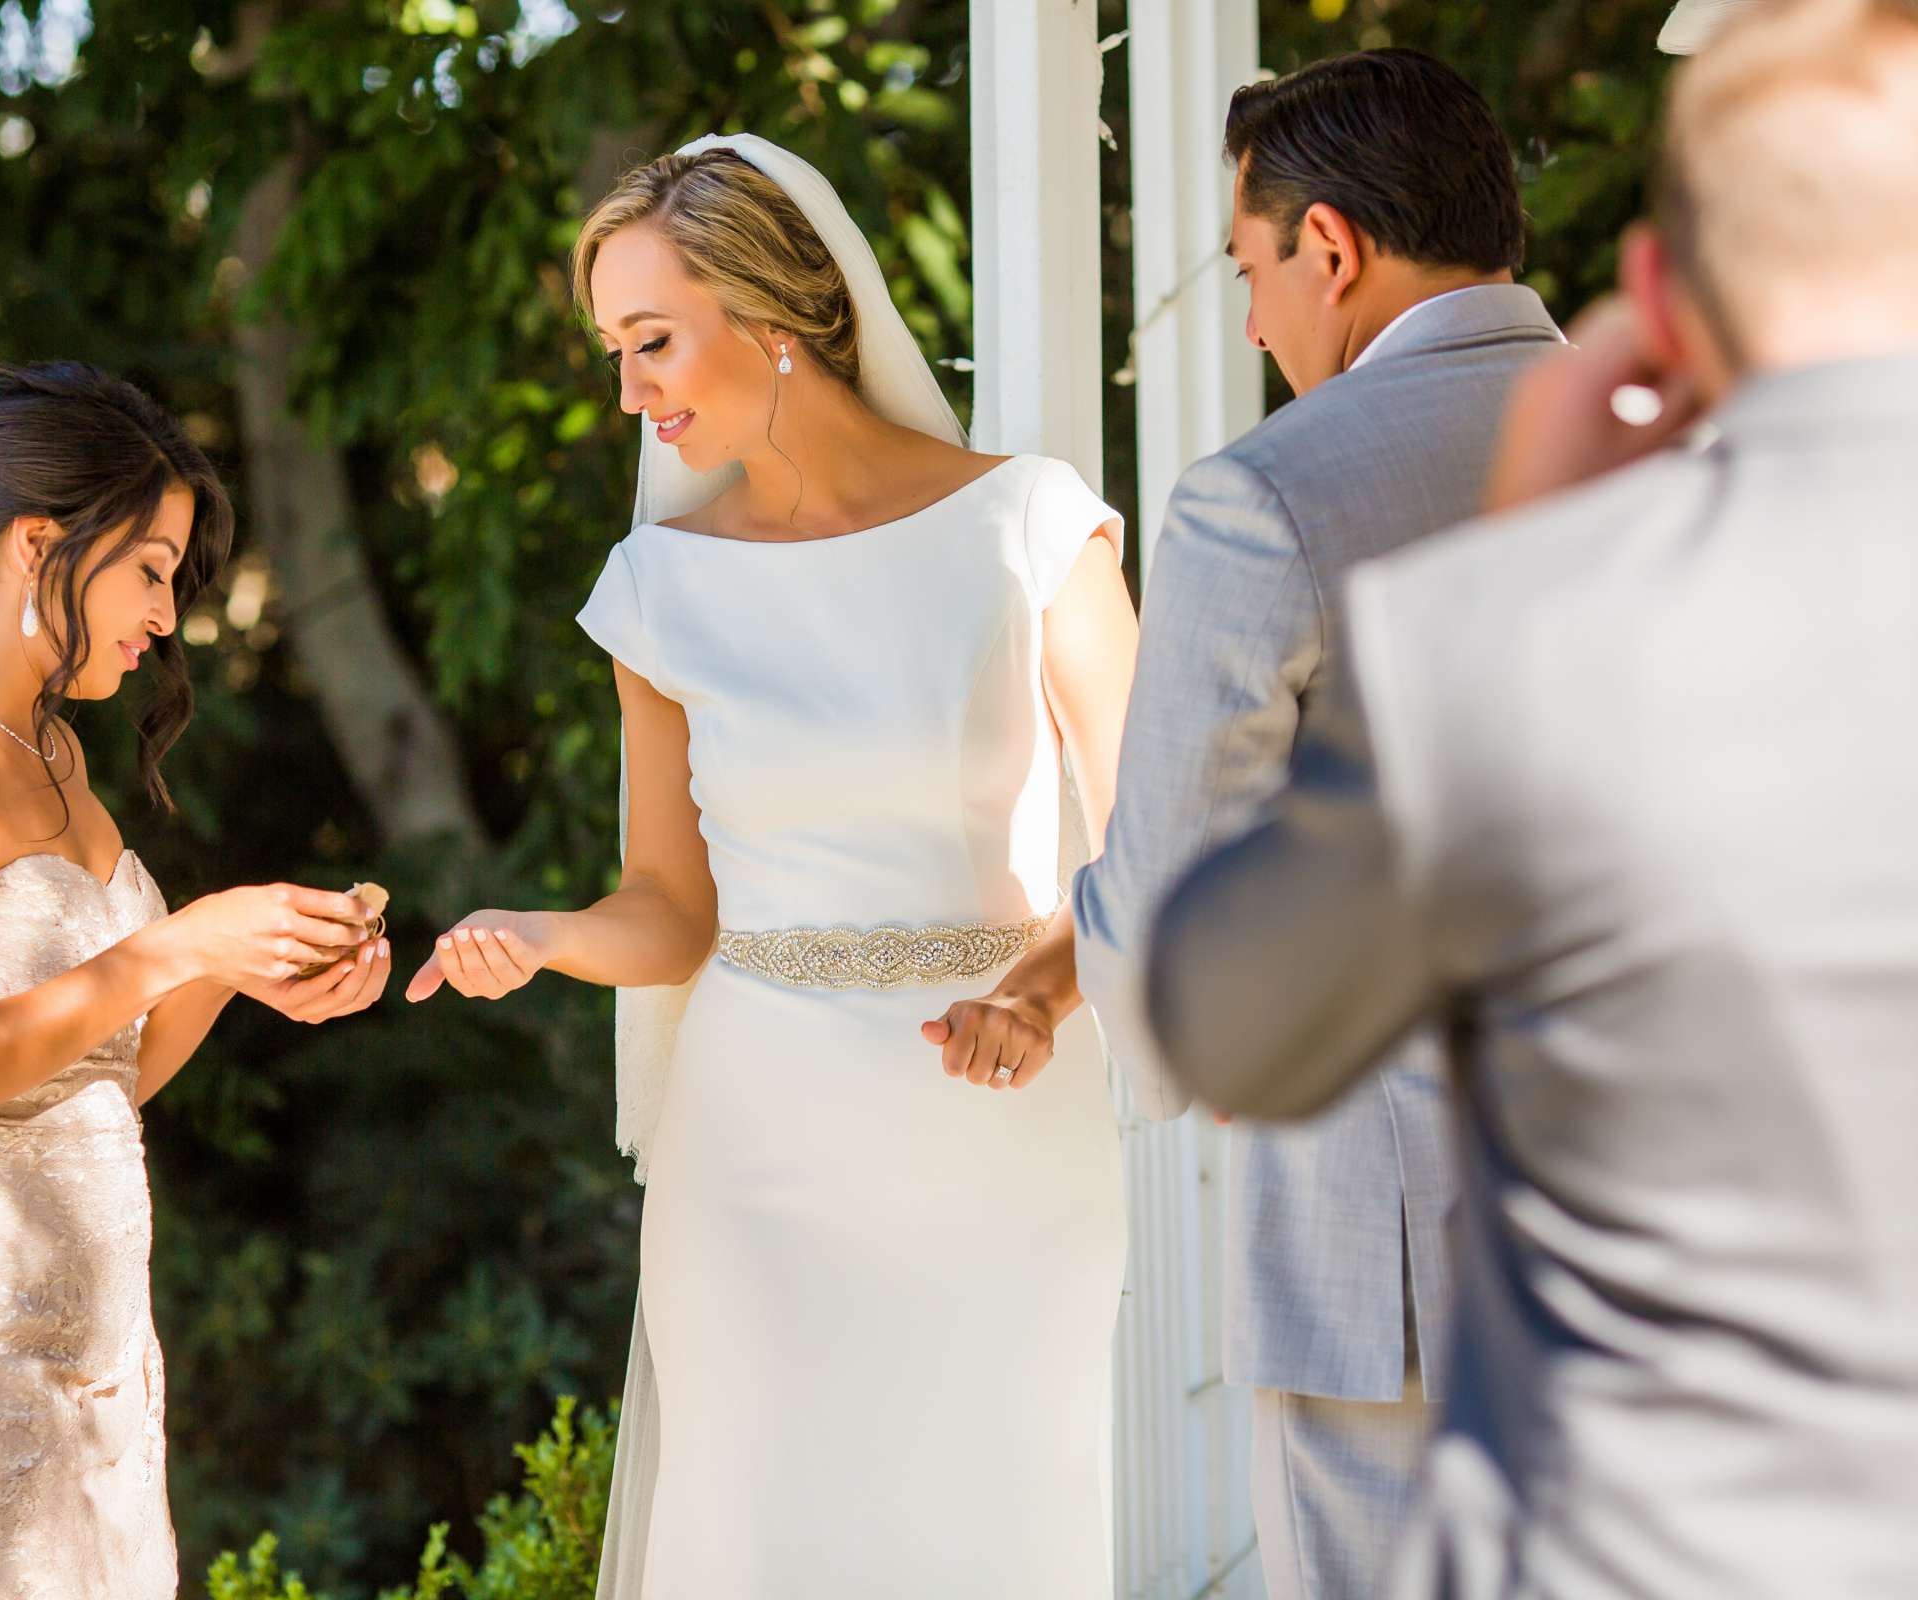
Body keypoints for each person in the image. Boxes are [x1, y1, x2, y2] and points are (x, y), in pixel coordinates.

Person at [1141, 2, 1918, 1595]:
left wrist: (1528, 554)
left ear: (1663, 291)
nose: (1251, 318)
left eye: (1252, 272)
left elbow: (1199, 982)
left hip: (1440, 1311)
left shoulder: (1378, 559)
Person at [406, 138, 1138, 1598]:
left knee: (995, 1535)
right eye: (615, 351)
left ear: (776, 314)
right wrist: (543, 938)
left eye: (653, 341)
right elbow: (671, 915)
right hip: (752, 1159)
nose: (630, 392)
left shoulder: (1030, 528)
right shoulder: (660, 592)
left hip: (994, 1141)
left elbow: (1151, 838)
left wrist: (1042, 997)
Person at [1068, 49, 1561, 1600]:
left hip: (1393, 1241)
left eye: (1250, 271)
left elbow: (1165, 912)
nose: (1261, 318)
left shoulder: (1266, 495)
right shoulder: (1689, 433)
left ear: (1330, 246)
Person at [0, 362, 388, 1598]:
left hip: (96, 1356)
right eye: (151, 570)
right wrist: (178, 945)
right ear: (37, 542)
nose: (167, 615)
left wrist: (248, 967)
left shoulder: (54, 748)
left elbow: (99, 1076)